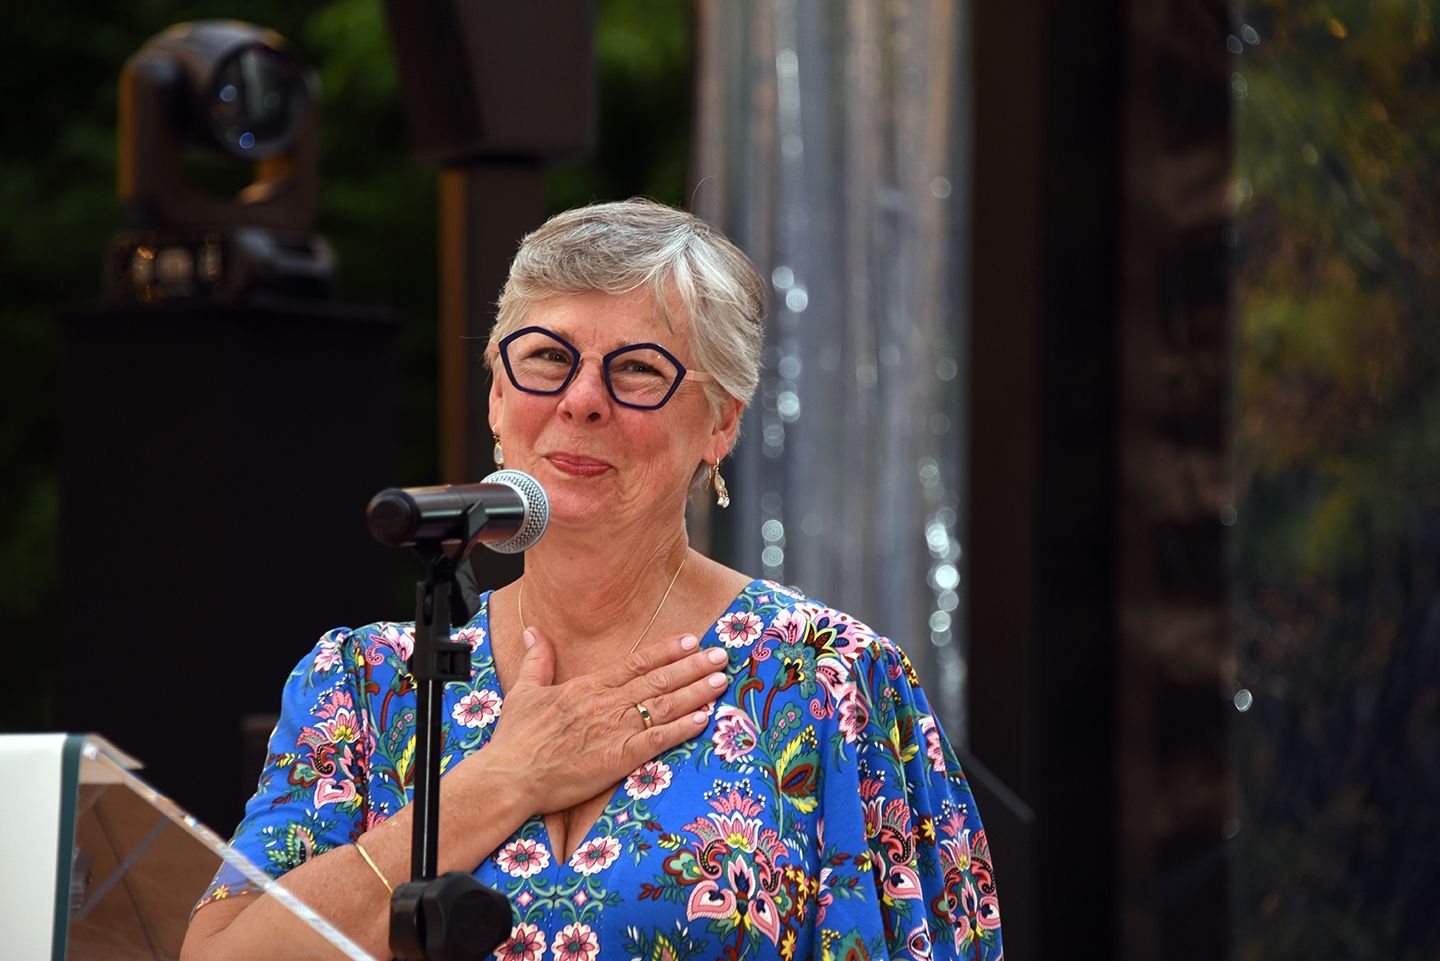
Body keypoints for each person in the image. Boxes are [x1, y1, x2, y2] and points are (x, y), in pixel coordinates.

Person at [182, 198, 1002, 961]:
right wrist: (496, 784)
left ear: (721, 421)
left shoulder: (828, 679)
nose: (581, 400)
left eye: (638, 368)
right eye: (547, 357)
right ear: (497, 396)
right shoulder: (365, 688)